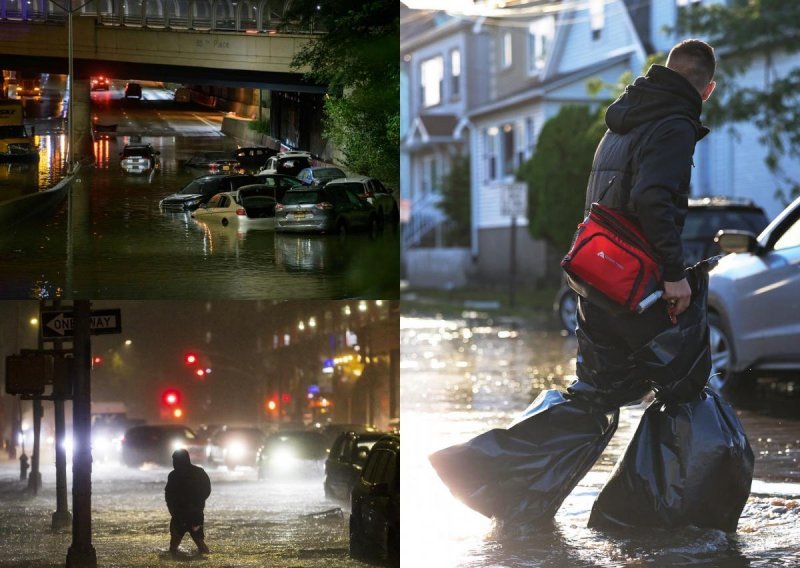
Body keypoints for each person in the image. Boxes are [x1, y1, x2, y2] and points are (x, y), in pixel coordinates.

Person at [572, 38, 716, 409]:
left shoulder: (623, 121)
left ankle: (499, 462)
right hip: (634, 282)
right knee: (683, 383)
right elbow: (652, 199)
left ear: (666, 69)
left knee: (594, 396)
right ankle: (679, 469)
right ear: (708, 89)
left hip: (596, 272)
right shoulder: (674, 125)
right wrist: (673, 273)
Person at [165, 449, 211, 556]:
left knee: (173, 547)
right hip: (193, 514)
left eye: (175, 460)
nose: (173, 463)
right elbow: (207, 490)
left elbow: (169, 495)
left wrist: (173, 510)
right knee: (199, 543)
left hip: (181, 515)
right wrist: (197, 504)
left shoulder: (173, 475)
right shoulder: (199, 472)